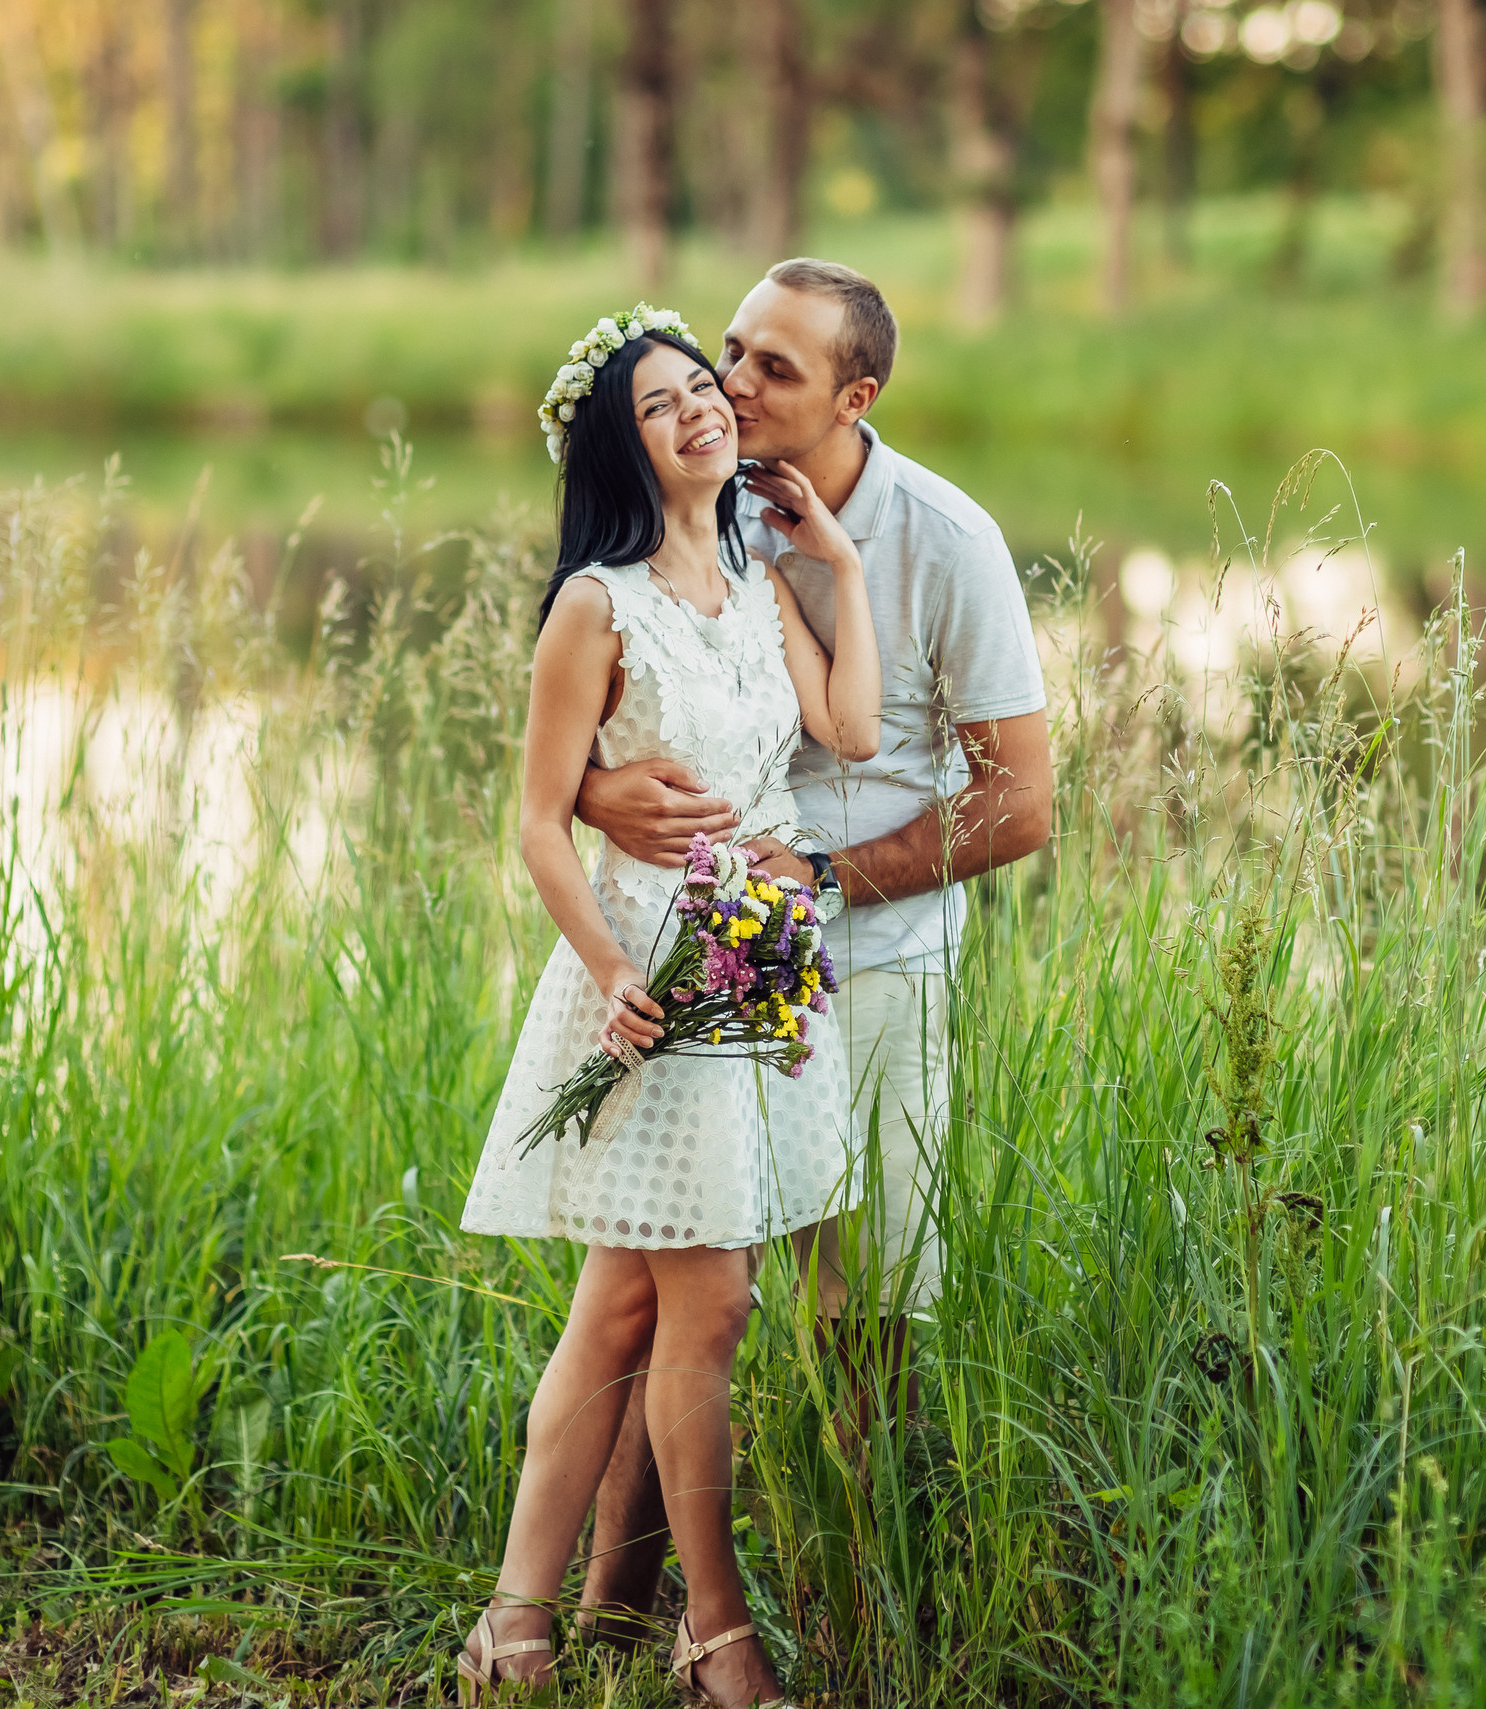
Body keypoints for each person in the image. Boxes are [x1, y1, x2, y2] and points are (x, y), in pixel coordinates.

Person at [571, 259, 1055, 1633]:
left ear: (858, 395)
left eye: (774, 367)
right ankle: (612, 1605)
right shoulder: (688, 504)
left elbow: (1023, 798)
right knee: (678, 1283)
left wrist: (832, 878)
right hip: (706, 945)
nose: (731, 384)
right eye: (731, 350)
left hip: (881, 956)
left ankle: (863, 1600)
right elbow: (591, 698)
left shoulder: (947, 541)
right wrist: (604, 792)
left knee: (867, 1306)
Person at [451, 300, 881, 1709]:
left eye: (706, 386)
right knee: (715, 1299)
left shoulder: (761, 580)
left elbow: (852, 729)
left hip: (756, 961)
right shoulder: (596, 602)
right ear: (623, 450)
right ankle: (718, 1630)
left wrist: (842, 565)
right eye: (661, 403)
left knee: (621, 1307)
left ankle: (516, 1620)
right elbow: (534, 824)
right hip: (649, 972)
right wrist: (613, 971)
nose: (702, 407)